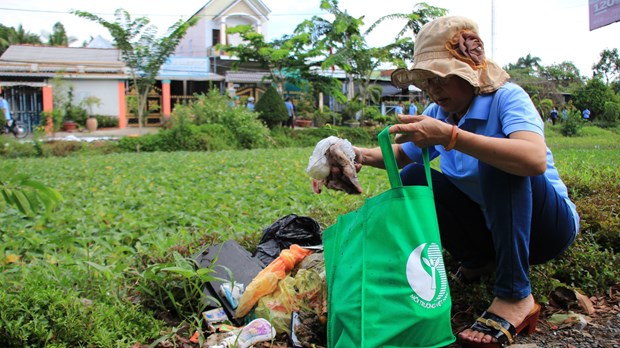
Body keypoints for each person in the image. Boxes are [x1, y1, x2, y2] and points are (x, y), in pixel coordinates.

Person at [345, 16, 578, 347]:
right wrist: (353, 155)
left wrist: (452, 137)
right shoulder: (440, 112)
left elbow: (533, 159)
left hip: (546, 229)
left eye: (441, 78)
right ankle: (480, 260)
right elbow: (401, 156)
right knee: (414, 176)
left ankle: (515, 296)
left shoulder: (506, 97)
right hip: (494, 227)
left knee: (497, 161)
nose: (434, 89)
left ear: (468, 69)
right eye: (427, 81)